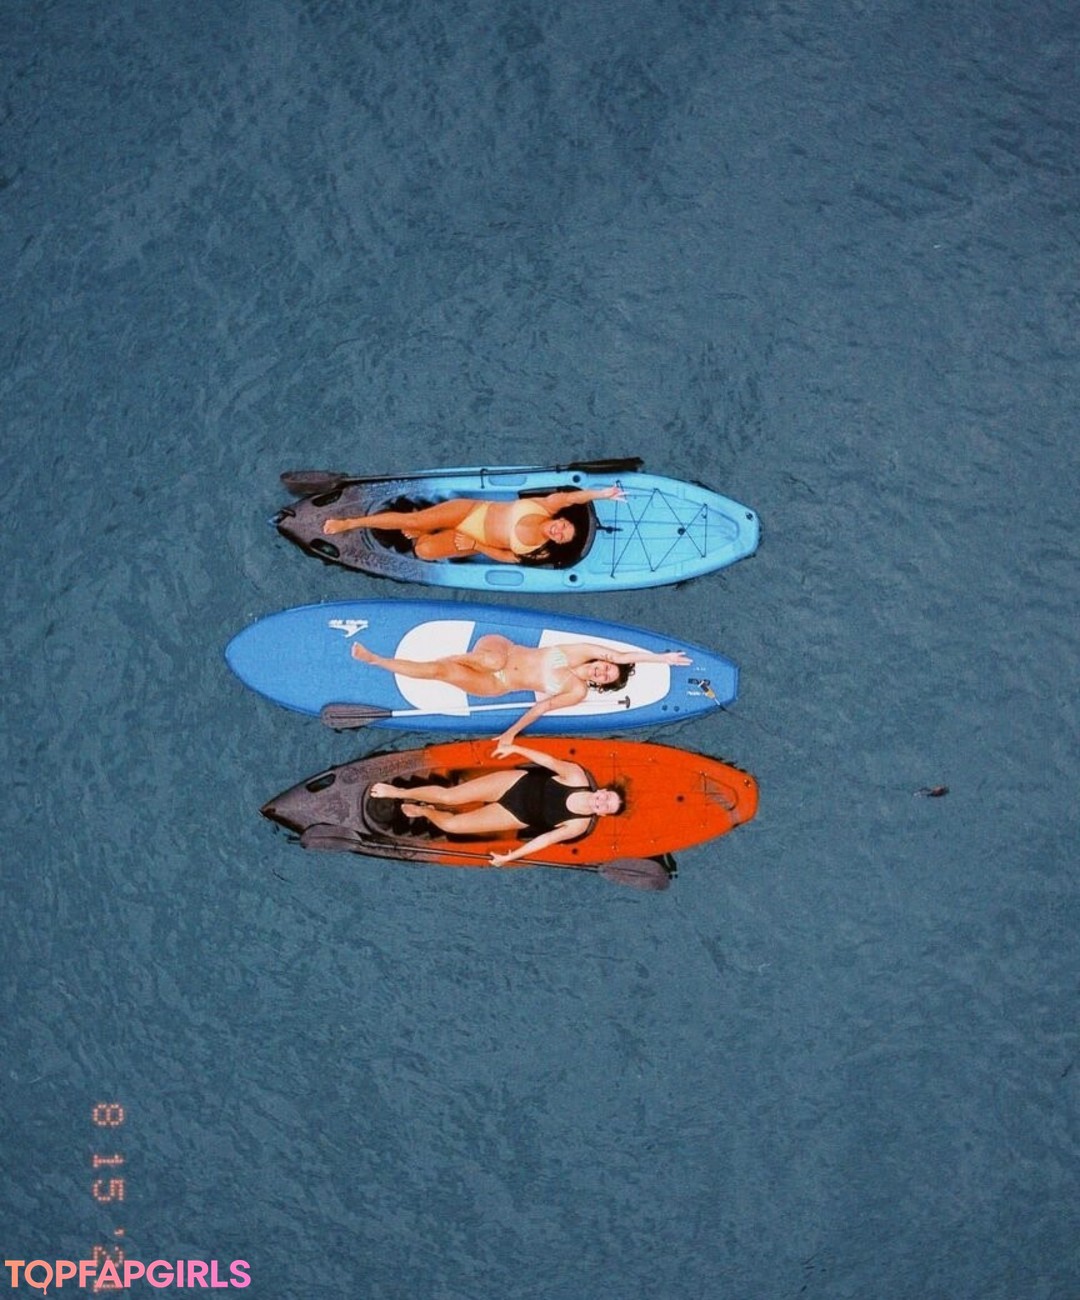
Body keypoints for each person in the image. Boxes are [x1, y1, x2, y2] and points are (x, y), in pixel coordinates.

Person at [349, 635, 692, 750]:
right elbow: (621, 655)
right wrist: (660, 659)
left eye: (604, 676)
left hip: (498, 685)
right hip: (501, 650)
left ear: (600, 684)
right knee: (491, 659)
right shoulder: (579, 652)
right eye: (605, 666)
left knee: (440, 673)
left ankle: (376, 660)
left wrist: (510, 734)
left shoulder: (575, 692)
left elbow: (539, 709)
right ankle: (457, 658)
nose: (601, 670)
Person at [369, 741, 624, 866]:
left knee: (452, 826)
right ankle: (398, 791)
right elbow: (548, 762)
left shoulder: (579, 825)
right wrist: (516, 749)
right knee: (450, 796)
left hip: (517, 815)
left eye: (606, 808)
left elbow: (545, 839)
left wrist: (512, 856)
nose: (601, 803)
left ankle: (424, 811)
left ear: (603, 815)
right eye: (606, 797)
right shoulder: (577, 777)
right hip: (515, 784)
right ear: (602, 790)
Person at [322, 485, 625, 562]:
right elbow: (571, 498)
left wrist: (477, 544)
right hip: (471, 512)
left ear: (557, 543)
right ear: (560, 519)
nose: (558, 532)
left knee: (423, 551)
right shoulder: (546, 506)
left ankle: (425, 533)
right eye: (563, 527)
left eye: (561, 537)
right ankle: (351, 522)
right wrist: (602, 494)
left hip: (473, 540)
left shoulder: (541, 550)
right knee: (413, 519)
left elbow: (508, 557)